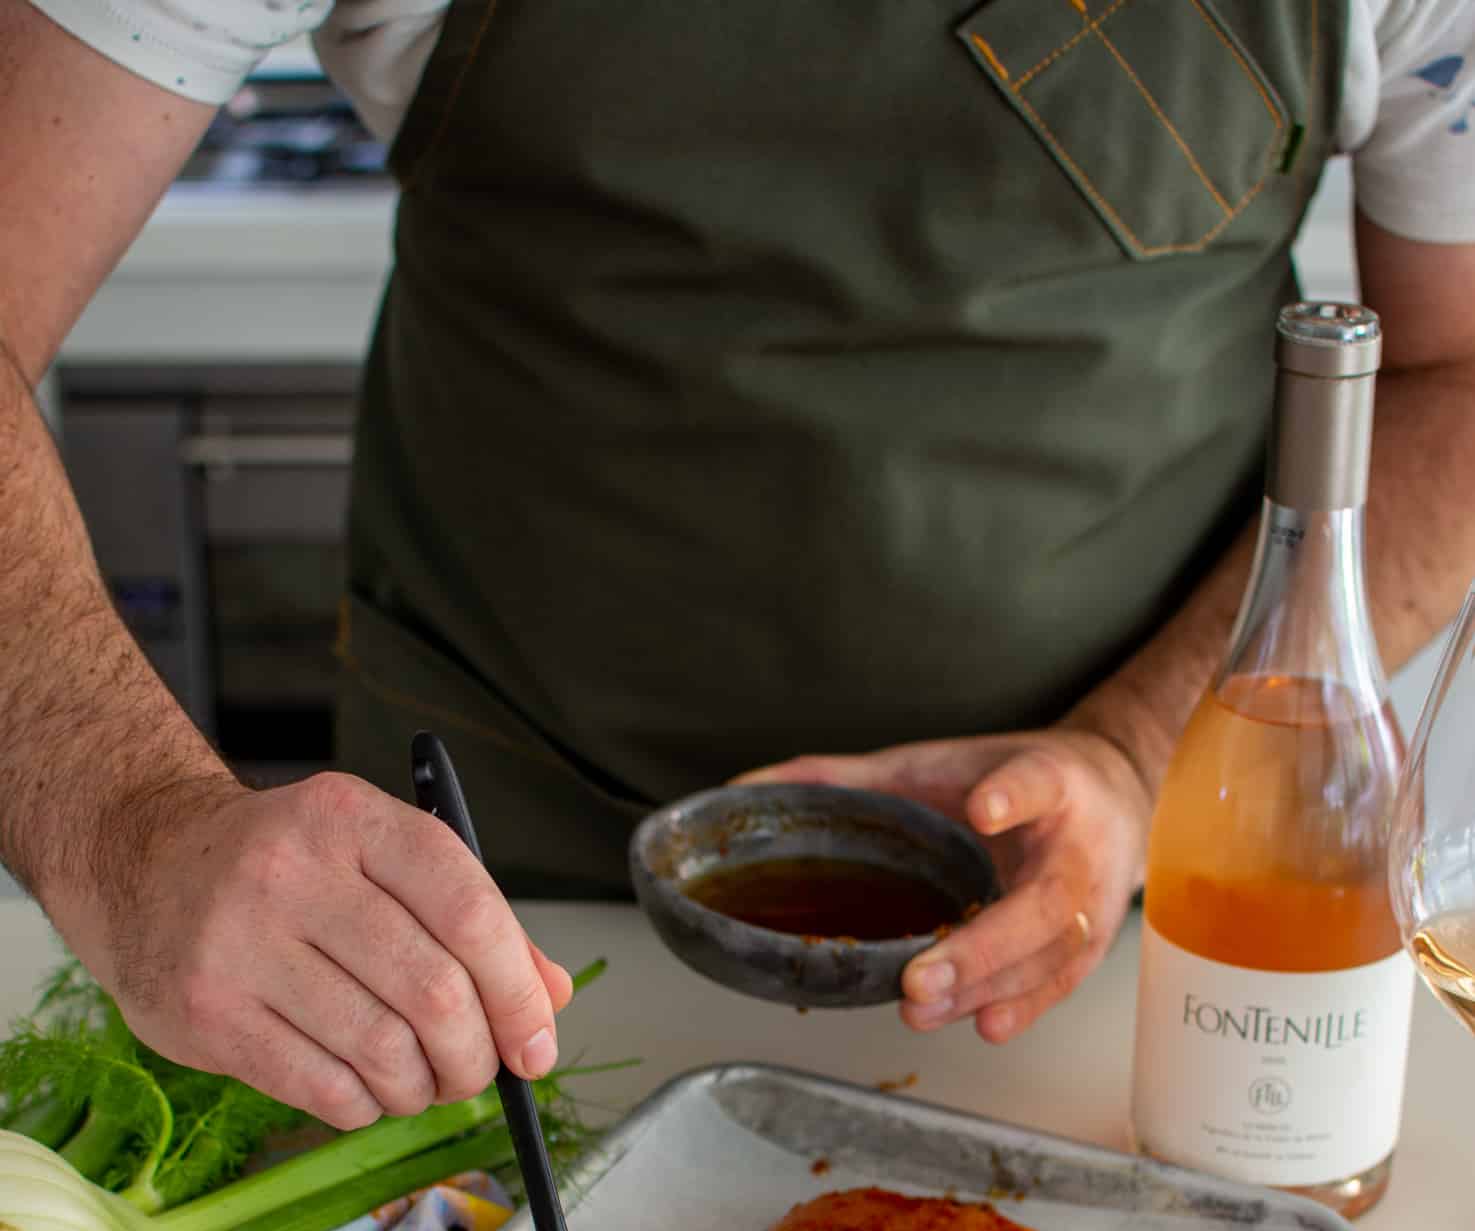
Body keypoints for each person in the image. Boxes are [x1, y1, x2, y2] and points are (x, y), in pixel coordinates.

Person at [1, 0, 1473, 1131]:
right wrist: (129, 823)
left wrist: (1138, 755)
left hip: (1108, 939)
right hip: (490, 920)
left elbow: (1460, 378)